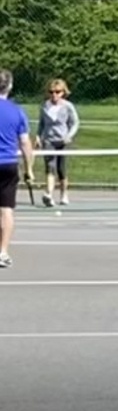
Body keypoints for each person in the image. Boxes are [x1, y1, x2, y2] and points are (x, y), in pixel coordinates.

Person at [0, 69, 37, 269]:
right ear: (10, 86)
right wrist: (29, 168)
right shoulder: (17, 111)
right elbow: (25, 143)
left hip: (5, 163)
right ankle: (2, 252)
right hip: (8, 164)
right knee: (6, 210)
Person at [36, 78, 79, 207]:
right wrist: (38, 136)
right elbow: (42, 124)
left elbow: (75, 123)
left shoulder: (68, 106)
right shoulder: (45, 106)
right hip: (49, 141)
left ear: (63, 92)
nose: (54, 95)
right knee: (50, 167)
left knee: (61, 170)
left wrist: (69, 135)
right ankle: (48, 194)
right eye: (51, 92)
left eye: (57, 92)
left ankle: (64, 194)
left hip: (62, 141)